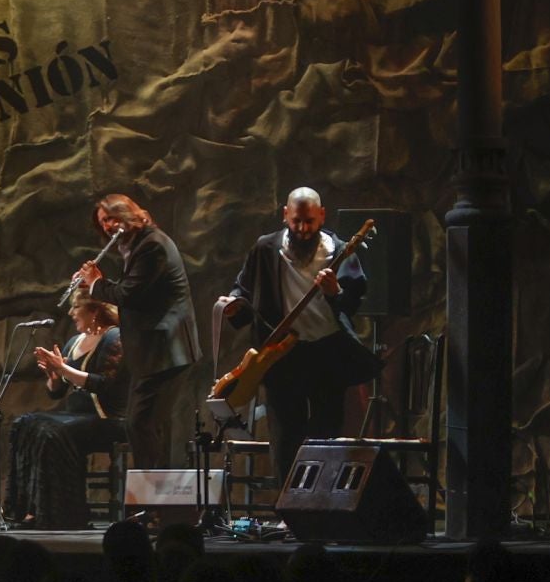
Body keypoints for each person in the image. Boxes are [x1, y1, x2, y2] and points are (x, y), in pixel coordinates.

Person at [220, 187, 380, 484]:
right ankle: (287, 504)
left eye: (309, 221)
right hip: (282, 353)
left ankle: (318, 500)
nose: (303, 230)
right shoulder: (266, 249)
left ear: (322, 216)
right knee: (285, 433)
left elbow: (353, 301)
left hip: (327, 350)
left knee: (326, 431)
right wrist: (233, 306)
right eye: (296, 222)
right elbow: (243, 289)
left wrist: (335, 292)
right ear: (285, 216)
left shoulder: (339, 250)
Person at [73, 194, 199, 470]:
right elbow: (136, 291)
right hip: (157, 353)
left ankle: (153, 499)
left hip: (166, 351)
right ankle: (155, 503)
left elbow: (129, 293)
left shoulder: (151, 245)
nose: (108, 226)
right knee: (149, 425)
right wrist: (92, 285)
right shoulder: (139, 245)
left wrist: (96, 283)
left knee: (140, 423)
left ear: (128, 215)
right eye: (103, 222)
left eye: (112, 219)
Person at [8, 296, 128, 529]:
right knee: (26, 424)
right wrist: (54, 378)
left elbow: (104, 385)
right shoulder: (74, 341)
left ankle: (63, 513)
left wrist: (62, 368)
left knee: (53, 432)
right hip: (75, 418)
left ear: (94, 310)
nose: (71, 312)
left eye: (76, 307)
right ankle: (34, 508)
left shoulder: (115, 337)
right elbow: (58, 391)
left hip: (107, 418)